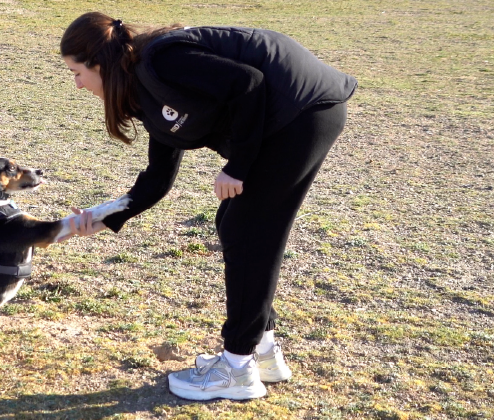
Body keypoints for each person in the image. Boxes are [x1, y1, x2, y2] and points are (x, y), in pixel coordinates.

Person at [57, 12, 356, 400]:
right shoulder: (145, 92)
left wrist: (238, 167)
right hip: (298, 114)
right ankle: (262, 351)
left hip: (301, 110)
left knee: (246, 232)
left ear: (99, 63)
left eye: (77, 72)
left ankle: (237, 368)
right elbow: (157, 178)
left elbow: (248, 83)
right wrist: (102, 218)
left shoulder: (161, 61)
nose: (78, 85)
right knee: (237, 224)